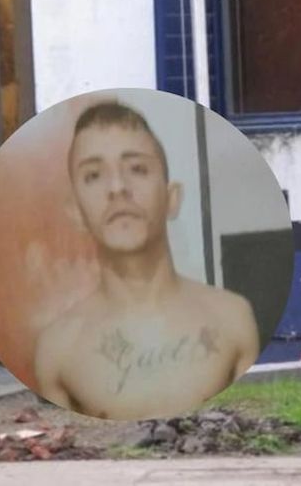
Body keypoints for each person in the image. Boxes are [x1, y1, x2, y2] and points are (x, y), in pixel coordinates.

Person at [33, 100, 259, 420]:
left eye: (137, 169)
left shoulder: (233, 320)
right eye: (94, 175)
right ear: (76, 212)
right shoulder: (59, 350)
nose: (118, 188)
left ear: (172, 198)